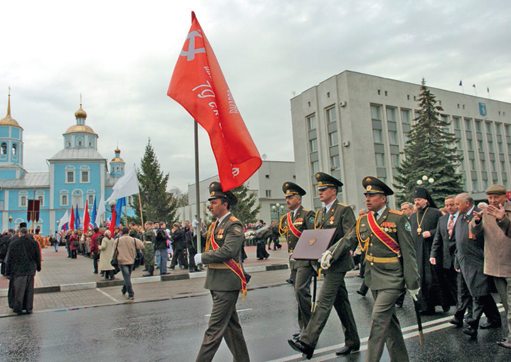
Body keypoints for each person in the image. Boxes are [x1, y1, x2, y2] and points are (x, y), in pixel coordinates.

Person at [321, 176, 420, 362]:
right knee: (389, 325)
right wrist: (330, 253)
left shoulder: (398, 219)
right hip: (374, 277)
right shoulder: (363, 221)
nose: (367, 198)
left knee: (378, 321)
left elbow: (409, 253)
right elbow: (348, 240)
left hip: (393, 278)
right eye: (366, 195)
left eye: (372, 195)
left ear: (383, 198)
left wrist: (413, 282)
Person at [289, 172, 359, 358]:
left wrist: (332, 252)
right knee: (341, 303)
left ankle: (307, 341)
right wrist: (306, 255)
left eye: (323, 189)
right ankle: (353, 341)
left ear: (333, 191)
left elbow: (351, 236)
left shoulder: (344, 210)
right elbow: (316, 238)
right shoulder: (320, 212)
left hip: (339, 263)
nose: (319, 192)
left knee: (323, 302)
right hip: (324, 264)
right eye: (318, 189)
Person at [193, 181, 250, 362]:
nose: (210, 205)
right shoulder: (214, 226)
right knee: (231, 327)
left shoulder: (234, 225)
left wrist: (203, 257)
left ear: (225, 204)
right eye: (210, 202)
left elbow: (228, 251)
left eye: (214, 202)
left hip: (227, 284)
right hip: (215, 281)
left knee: (214, 330)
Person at [454, 193, 501, 338]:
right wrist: (457, 260)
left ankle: (472, 324)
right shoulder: (461, 217)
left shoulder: (480, 216)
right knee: (479, 291)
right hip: (464, 261)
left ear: (466, 203)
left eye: (457, 204)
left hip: (478, 260)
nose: (455, 207)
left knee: (479, 292)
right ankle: (495, 319)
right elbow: (459, 242)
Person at [470, 185, 511, 348]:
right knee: (506, 304)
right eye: (490, 198)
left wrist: (503, 219)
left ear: (504, 197)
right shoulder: (485, 212)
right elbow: (474, 232)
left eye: (496, 197)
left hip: (509, 262)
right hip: (495, 264)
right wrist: (477, 221)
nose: (493, 201)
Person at [273, 182, 315, 339]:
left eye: (290, 197)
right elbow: (274, 230)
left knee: (301, 290)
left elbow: (313, 236)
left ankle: (310, 328)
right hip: (293, 260)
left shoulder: (308, 215)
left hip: (305, 259)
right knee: (299, 294)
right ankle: (304, 326)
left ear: (299, 199)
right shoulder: (287, 218)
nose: (287, 201)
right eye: (286, 198)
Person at [410, 187, 446, 314]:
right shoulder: (413, 216)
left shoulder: (435, 213)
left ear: (426, 200)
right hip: (418, 252)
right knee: (421, 280)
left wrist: (431, 233)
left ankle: (435, 304)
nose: (416, 202)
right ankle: (424, 306)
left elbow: (443, 230)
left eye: (419, 199)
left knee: (431, 280)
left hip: (431, 251)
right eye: (415, 200)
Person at [430, 195, 459, 310]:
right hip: (447, 259)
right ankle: (460, 308)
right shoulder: (443, 220)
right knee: (453, 286)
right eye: (447, 205)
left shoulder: (462, 217)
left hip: (461, 258)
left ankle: (461, 312)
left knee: (462, 287)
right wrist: (433, 254)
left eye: (452, 205)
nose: (449, 207)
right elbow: (438, 239)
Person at [5, 226, 42, 315]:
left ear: (19, 233)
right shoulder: (34, 243)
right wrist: (38, 267)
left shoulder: (14, 244)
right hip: (30, 270)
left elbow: (9, 259)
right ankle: (28, 308)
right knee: (29, 290)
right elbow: (38, 256)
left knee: (19, 290)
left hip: (18, 270)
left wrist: (8, 272)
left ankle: (19, 308)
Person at [114, 227, 144, 300]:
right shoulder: (133, 239)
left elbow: (113, 250)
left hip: (122, 261)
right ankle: (124, 290)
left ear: (121, 232)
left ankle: (130, 293)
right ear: (128, 232)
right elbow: (142, 246)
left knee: (126, 277)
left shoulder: (117, 240)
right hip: (131, 260)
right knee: (127, 276)